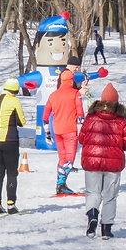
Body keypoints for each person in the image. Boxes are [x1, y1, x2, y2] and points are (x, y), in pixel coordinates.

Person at [79, 82, 126, 240]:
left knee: (93, 192)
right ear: (116, 102)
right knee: (110, 196)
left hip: (92, 162)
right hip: (113, 164)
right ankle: (106, 229)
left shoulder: (91, 117)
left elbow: (82, 138)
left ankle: (93, 215)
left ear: (102, 100)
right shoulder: (121, 120)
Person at [0, 79, 26, 214]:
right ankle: (11, 204)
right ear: (15, 91)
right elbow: (22, 122)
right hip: (10, 139)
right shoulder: (14, 101)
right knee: (12, 173)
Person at [44, 65, 85, 194]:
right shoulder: (75, 94)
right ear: (72, 80)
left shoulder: (53, 95)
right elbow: (80, 114)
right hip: (70, 130)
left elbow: (45, 116)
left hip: (57, 131)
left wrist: (47, 133)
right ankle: (61, 184)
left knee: (62, 157)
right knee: (70, 159)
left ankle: (60, 185)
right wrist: (85, 127)